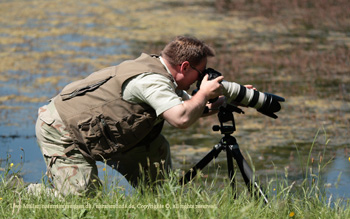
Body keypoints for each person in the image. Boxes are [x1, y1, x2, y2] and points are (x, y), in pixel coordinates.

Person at [35, 36, 282, 196]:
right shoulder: (151, 81)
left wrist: (225, 100)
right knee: (82, 202)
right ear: (184, 67)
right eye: (200, 72)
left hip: (111, 131)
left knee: (160, 192)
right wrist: (203, 93)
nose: (202, 77)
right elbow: (181, 118)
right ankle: (28, 192)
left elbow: (190, 107)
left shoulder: (165, 76)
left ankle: (155, 206)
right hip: (63, 127)